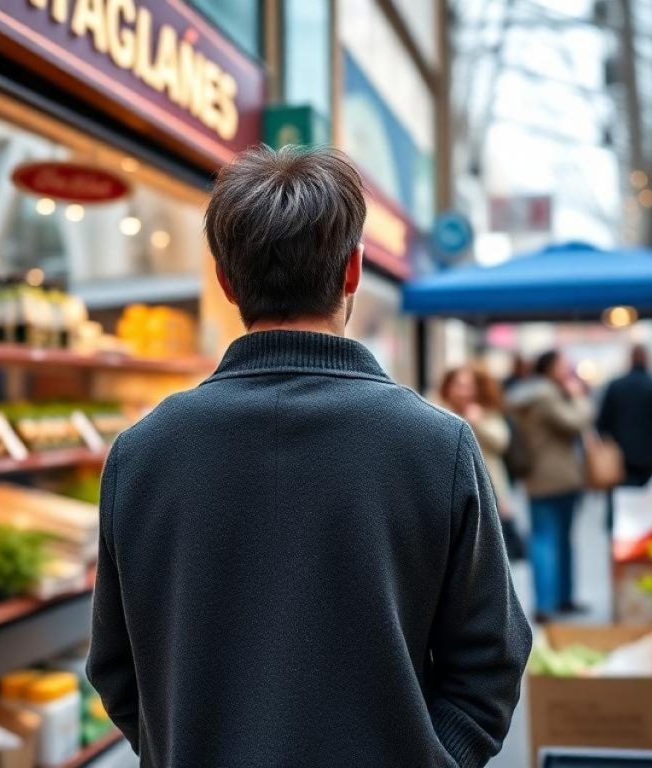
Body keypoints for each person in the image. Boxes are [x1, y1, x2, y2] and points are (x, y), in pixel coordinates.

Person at [87, 146, 531, 767]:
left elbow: (115, 670)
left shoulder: (140, 455)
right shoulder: (439, 447)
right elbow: (492, 663)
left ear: (226, 281)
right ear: (352, 272)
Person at [507, 349, 592, 622]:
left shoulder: (528, 395)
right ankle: (550, 603)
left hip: (538, 477)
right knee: (552, 540)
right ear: (549, 368)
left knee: (550, 539)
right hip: (557, 477)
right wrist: (580, 398)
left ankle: (556, 600)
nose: (568, 369)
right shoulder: (546, 396)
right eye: (563, 364)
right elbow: (575, 423)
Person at [440, 365, 523, 560]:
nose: (462, 391)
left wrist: (478, 422)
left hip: (487, 488)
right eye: (457, 385)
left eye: (468, 386)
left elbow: (501, 441)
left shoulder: (486, 413)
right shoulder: (436, 410)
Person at [596, 344, 652, 487]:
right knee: (646, 502)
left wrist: (612, 445)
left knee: (621, 501)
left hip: (620, 458)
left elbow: (602, 423)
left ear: (630, 359)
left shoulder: (615, 386)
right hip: (649, 457)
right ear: (646, 359)